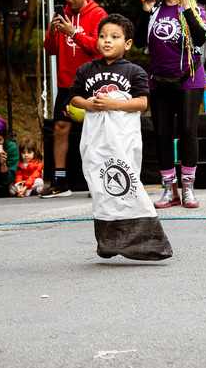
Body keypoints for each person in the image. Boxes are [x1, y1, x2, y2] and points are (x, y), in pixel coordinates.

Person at [70, 14, 172, 260]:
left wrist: (114, 104)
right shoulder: (86, 70)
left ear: (127, 43)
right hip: (96, 139)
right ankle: (108, 242)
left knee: (125, 183)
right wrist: (90, 105)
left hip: (123, 138)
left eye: (114, 37)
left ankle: (148, 242)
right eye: (103, 36)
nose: (107, 41)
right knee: (100, 186)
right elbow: (74, 98)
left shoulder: (134, 71)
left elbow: (141, 103)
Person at [137, 0, 206, 208]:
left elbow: (201, 38)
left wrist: (187, 7)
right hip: (159, 81)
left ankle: (188, 187)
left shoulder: (195, 9)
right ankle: (169, 189)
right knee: (162, 134)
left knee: (188, 131)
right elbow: (137, 42)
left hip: (188, 78)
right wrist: (145, 12)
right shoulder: (156, 11)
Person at [42, 0, 107, 197]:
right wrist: (52, 31)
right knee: (60, 128)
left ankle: (99, 180)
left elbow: (99, 48)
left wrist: (73, 33)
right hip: (66, 82)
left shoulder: (99, 15)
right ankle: (60, 181)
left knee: (95, 132)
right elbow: (50, 49)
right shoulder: (64, 14)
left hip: (91, 80)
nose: (69, 0)